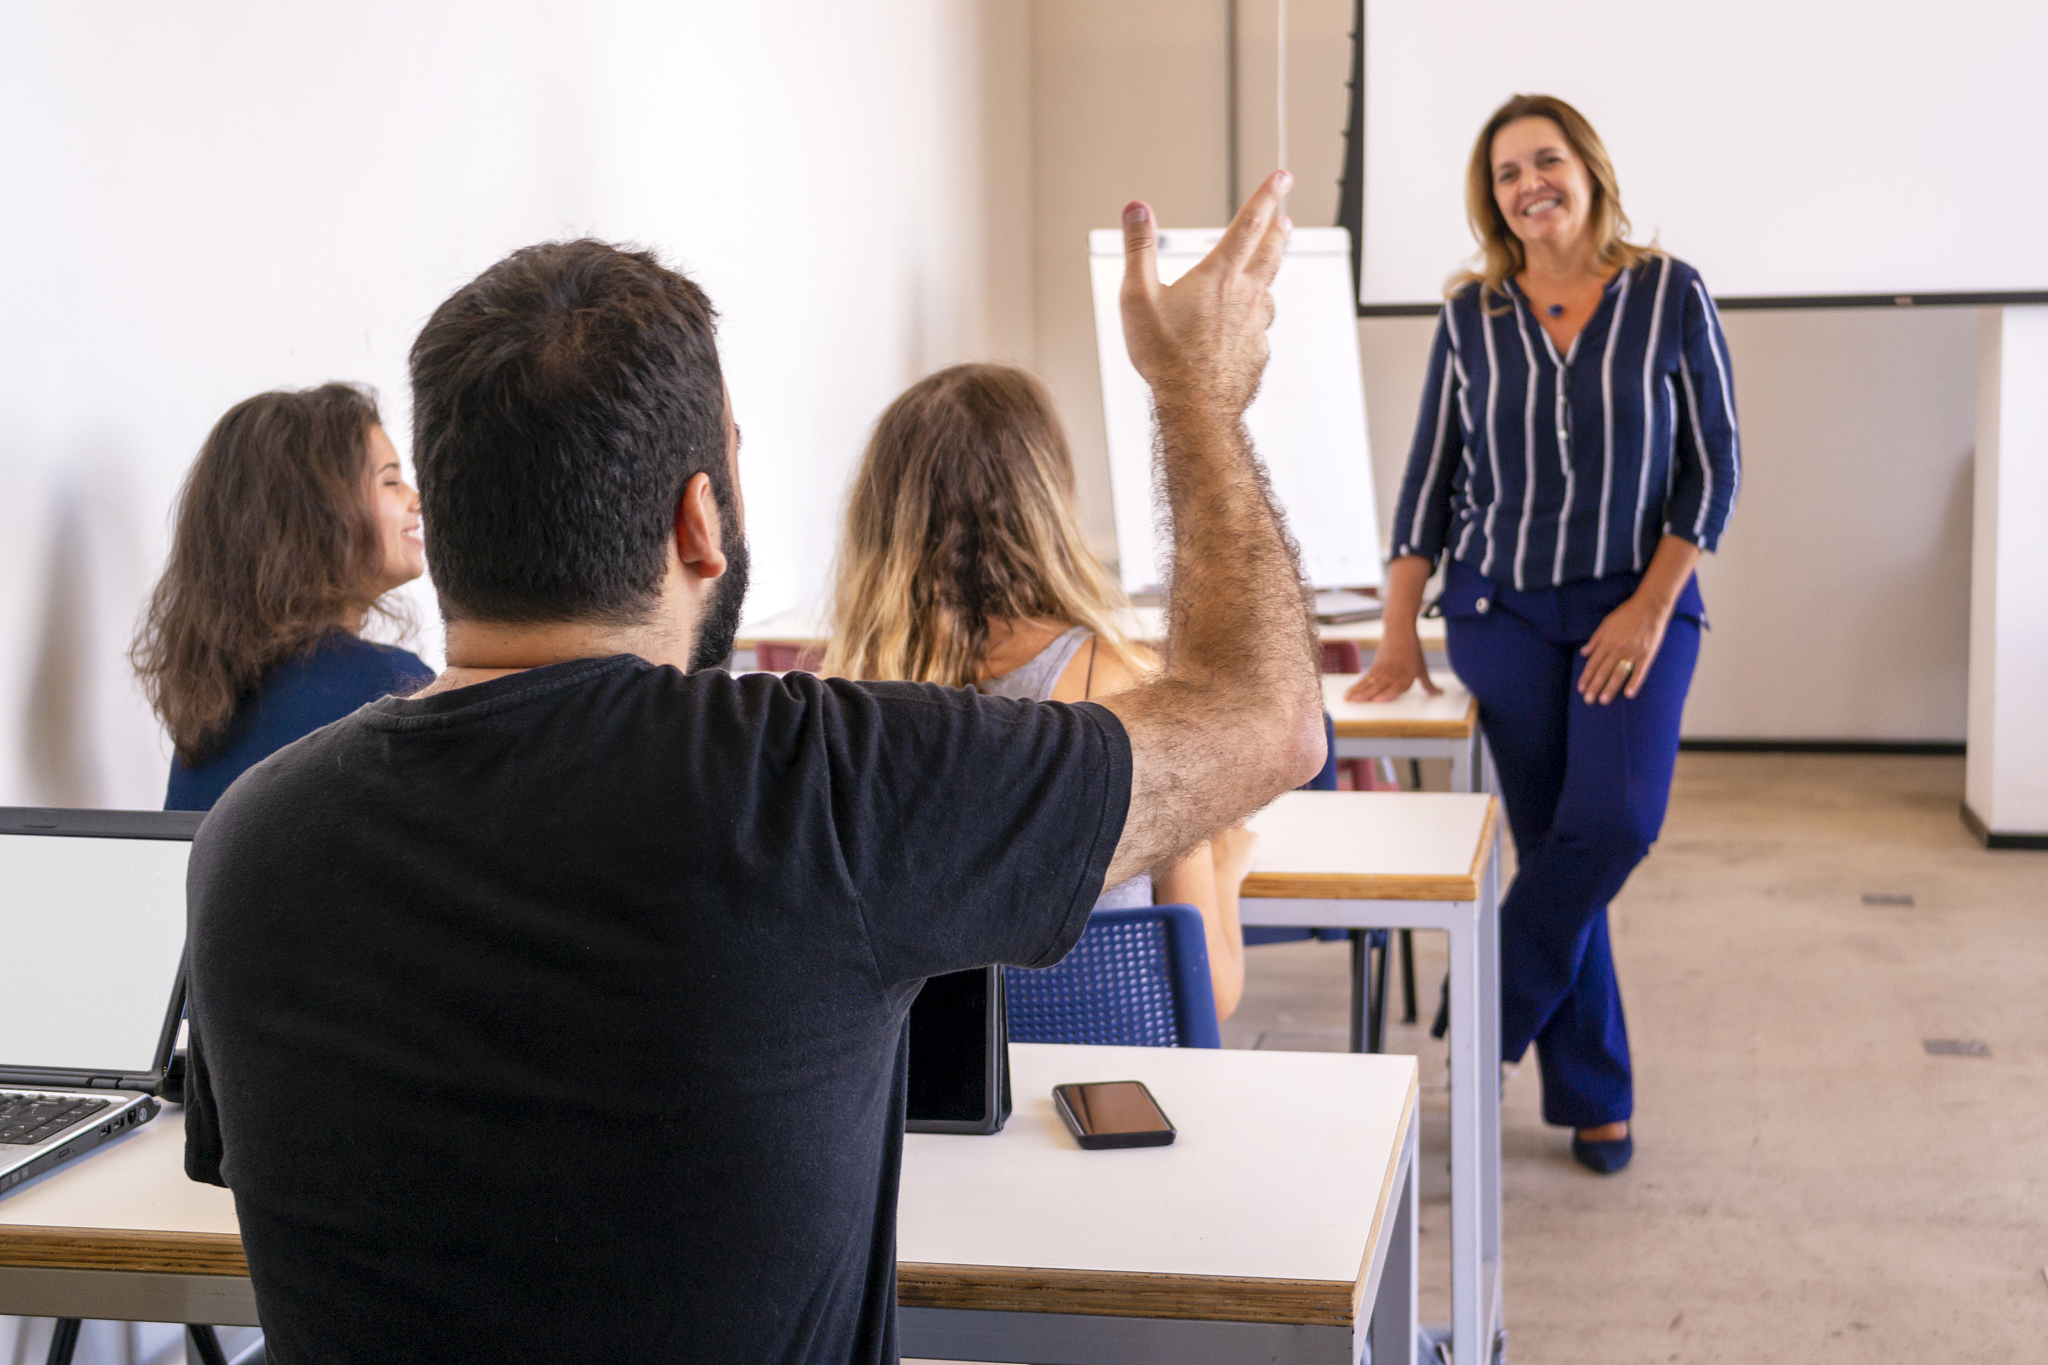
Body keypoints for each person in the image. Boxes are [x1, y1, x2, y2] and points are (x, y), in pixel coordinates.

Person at [183, 171, 1322, 1364]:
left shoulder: (251, 841)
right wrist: (1196, 397)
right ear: (698, 521)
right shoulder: (824, 786)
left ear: (454, 522)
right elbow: (1267, 722)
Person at [1348, 95, 1739, 1175]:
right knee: (1559, 847)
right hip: (1502, 612)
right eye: (1506, 172)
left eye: (1545, 161)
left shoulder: (1666, 292)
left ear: (1586, 170)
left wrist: (1649, 604)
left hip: (1636, 608)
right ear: (1493, 199)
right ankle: (1593, 1094)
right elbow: (1426, 486)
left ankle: (1479, 1019)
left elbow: (1712, 468)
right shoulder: (1470, 316)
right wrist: (1394, 639)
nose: (1529, 184)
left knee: (1606, 828)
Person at [824, 362, 1256, 1018]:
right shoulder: (1133, 693)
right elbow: (1207, 988)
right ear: (1050, 502)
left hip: (926, 1097)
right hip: (1096, 1080)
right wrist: (1225, 862)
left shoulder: (844, 707)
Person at [131, 383, 431, 811]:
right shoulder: (390, 688)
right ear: (320, 515)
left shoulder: (207, 722)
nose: (416, 500)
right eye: (391, 481)